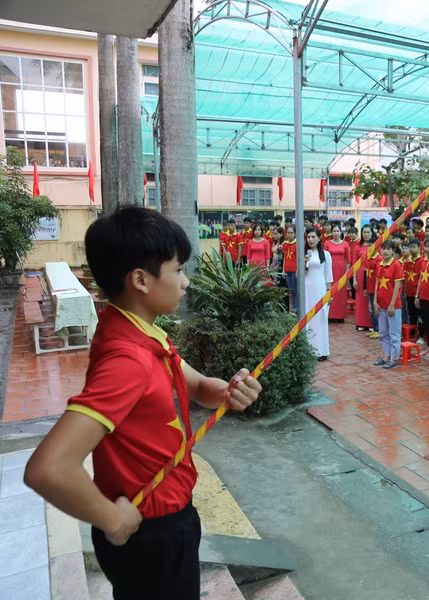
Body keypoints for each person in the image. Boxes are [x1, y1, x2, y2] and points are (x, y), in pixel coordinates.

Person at [24, 207, 261, 600]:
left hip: (163, 522)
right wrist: (110, 518)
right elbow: (48, 468)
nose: (185, 282)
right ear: (141, 280)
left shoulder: (139, 331)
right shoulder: (126, 360)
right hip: (151, 534)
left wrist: (226, 392)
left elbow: (198, 384)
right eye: (178, 269)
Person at [373, 240, 404, 369]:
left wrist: (392, 304)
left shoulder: (396, 265)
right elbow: (377, 284)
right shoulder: (379, 264)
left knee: (394, 333)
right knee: (383, 332)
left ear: (393, 251)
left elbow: (397, 286)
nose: (385, 251)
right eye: (383, 249)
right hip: (381, 304)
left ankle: (394, 357)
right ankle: (386, 355)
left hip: (393, 305)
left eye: (388, 249)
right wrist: (375, 301)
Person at [304, 227, 332, 361]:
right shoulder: (303, 253)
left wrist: (329, 293)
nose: (310, 239)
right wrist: (303, 264)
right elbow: (299, 275)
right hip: (306, 290)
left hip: (320, 290)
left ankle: (321, 350)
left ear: (319, 238)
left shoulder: (326, 255)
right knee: (307, 319)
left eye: (313, 237)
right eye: (308, 237)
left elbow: (329, 276)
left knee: (320, 319)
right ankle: (307, 350)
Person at [353, 225, 375, 332]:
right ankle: (360, 323)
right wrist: (354, 279)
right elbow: (354, 264)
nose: (366, 234)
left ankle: (372, 324)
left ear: (372, 233)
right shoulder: (357, 246)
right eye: (364, 232)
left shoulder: (376, 245)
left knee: (370, 300)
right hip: (360, 274)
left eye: (368, 232)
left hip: (372, 274)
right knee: (361, 300)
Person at [406, 239, 423, 333]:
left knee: (419, 315)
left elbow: (421, 279)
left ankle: (420, 334)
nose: (411, 249)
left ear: (419, 248)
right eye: (410, 247)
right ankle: (412, 333)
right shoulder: (408, 262)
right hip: (409, 292)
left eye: (414, 247)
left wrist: (418, 294)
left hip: (418, 292)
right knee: (411, 313)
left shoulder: (422, 261)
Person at [283, 226, 299, 314]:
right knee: (290, 290)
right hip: (287, 269)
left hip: (294, 269)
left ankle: (295, 308)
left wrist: (298, 270)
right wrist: (283, 270)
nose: (289, 234)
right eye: (288, 233)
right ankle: (292, 308)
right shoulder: (285, 244)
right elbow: (285, 257)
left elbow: (299, 258)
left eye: (291, 233)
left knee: (295, 290)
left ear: (295, 233)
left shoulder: (297, 244)